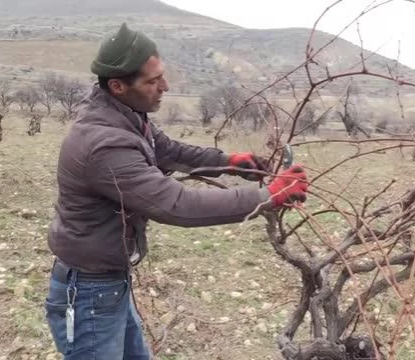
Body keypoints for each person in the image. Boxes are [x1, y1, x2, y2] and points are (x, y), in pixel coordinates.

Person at [43, 22, 308, 359]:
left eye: (162, 76)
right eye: (153, 81)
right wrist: (267, 196)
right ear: (118, 85)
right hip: (89, 292)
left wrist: (230, 161)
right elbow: (176, 204)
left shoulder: (126, 117)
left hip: (108, 283)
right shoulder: (104, 144)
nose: (165, 86)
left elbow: (170, 151)